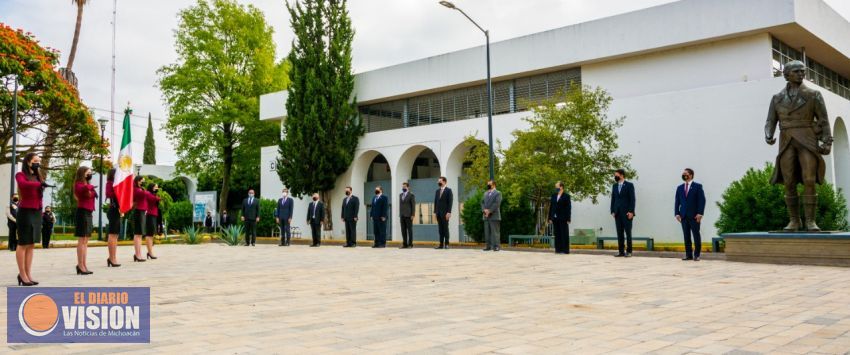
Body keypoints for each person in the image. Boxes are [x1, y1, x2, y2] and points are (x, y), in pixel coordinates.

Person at [765, 60, 833, 231]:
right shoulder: (777, 98)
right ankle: (794, 220)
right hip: (786, 140)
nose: (801, 74)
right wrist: (768, 134)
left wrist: (827, 141)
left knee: (809, 179)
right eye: (797, 71)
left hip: (807, 139)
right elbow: (770, 120)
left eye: (803, 71)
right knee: (789, 181)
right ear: (787, 75)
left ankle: (811, 221)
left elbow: (823, 120)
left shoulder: (813, 94)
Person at [15, 152, 47, 286]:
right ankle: (22, 274)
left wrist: (42, 184)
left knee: (32, 244)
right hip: (25, 211)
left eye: (38, 161)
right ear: (28, 162)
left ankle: (28, 274)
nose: (37, 163)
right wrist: (39, 185)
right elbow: (23, 185)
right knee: (23, 243)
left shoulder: (37, 176)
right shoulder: (20, 175)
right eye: (35, 161)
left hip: (37, 211)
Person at [675, 168, 706, 261]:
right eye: (683, 173)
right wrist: (677, 213)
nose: (684, 175)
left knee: (696, 235)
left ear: (691, 175)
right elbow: (677, 202)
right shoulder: (679, 188)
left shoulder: (698, 186)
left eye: (686, 173)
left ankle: (697, 255)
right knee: (686, 236)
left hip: (694, 216)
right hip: (683, 216)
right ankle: (688, 255)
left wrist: (700, 213)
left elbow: (702, 200)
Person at [73, 166, 96, 275]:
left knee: (86, 241)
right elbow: (82, 190)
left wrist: (90, 187)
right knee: (82, 240)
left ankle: (84, 264)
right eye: (88, 172)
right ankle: (80, 265)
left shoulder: (87, 185)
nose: (90, 174)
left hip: (89, 213)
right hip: (82, 212)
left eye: (90, 172)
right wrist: (90, 187)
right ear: (82, 174)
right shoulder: (79, 184)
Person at [611, 169, 636, 257]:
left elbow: (632, 199)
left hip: (627, 213)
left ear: (622, 175)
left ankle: (629, 251)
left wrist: (631, 212)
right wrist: (612, 211)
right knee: (619, 233)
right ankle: (621, 251)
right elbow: (613, 199)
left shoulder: (629, 185)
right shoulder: (614, 186)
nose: (615, 177)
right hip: (617, 213)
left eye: (616, 175)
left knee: (628, 232)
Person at [549, 181, 572, 254]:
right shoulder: (553, 195)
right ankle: (558, 249)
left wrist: (568, 218)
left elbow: (568, 208)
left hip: (563, 218)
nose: (556, 188)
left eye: (557, 187)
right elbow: (551, 207)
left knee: (564, 234)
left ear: (561, 187)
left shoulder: (566, 196)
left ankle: (565, 250)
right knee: (557, 234)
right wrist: (550, 217)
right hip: (555, 218)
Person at [105, 168, 121, 267]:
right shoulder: (110, 183)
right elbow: (109, 194)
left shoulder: (118, 184)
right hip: (113, 209)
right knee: (112, 234)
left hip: (118, 210)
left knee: (116, 235)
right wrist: (118, 191)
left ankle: (113, 257)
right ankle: (112, 257)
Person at [482, 180, 502, 252]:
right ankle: (488, 246)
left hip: (494, 215)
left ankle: (496, 246)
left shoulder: (498, 193)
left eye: (489, 184)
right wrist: (484, 210)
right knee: (487, 232)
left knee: (495, 232)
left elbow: (497, 203)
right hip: (486, 216)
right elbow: (482, 202)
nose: (488, 186)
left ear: (493, 185)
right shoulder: (485, 193)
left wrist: (489, 211)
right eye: (487, 184)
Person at [434, 176, 453, 249]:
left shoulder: (449, 190)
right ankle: (441, 244)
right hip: (438, 213)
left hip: (445, 213)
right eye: (438, 181)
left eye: (440, 181)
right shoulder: (437, 191)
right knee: (440, 229)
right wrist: (435, 212)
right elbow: (435, 202)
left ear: (444, 182)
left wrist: (449, 212)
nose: (439, 182)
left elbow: (450, 202)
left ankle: (447, 244)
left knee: (445, 229)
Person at [131, 176, 148, 262]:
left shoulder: (141, 189)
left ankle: (138, 254)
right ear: (137, 181)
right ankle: (137, 254)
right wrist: (145, 190)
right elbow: (145, 194)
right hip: (138, 211)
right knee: (138, 234)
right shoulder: (136, 189)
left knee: (140, 234)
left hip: (142, 211)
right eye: (142, 181)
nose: (143, 182)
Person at [145, 183, 161, 259]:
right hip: (150, 214)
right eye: (155, 187)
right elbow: (154, 199)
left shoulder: (153, 194)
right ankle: (150, 252)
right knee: (149, 234)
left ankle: (150, 252)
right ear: (151, 187)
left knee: (152, 234)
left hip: (154, 215)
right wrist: (158, 197)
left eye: (157, 187)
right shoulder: (148, 193)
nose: (156, 188)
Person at [398, 182, 415, 249]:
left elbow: (413, 205)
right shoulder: (400, 195)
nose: (403, 188)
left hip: (408, 215)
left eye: (405, 187)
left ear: (408, 187)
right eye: (403, 187)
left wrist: (413, 214)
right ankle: (404, 244)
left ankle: (410, 244)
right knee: (403, 230)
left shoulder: (411, 195)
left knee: (409, 230)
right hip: (402, 215)